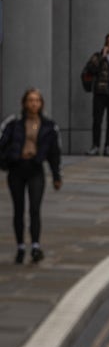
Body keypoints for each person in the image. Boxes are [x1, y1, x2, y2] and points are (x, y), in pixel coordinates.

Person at [0, 88, 63, 264]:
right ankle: (20, 246)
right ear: (24, 103)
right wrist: (7, 161)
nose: (33, 103)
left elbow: (54, 153)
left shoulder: (49, 126)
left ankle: (35, 245)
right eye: (30, 100)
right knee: (18, 209)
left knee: (35, 209)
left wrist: (57, 176)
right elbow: (2, 143)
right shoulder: (14, 123)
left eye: (37, 100)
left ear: (41, 104)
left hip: (36, 169)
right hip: (17, 170)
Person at [82, 33, 109, 156]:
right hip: (100, 93)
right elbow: (90, 69)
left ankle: (108, 146)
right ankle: (95, 146)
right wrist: (102, 56)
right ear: (106, 43)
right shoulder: (98, 56)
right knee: (97, 120)